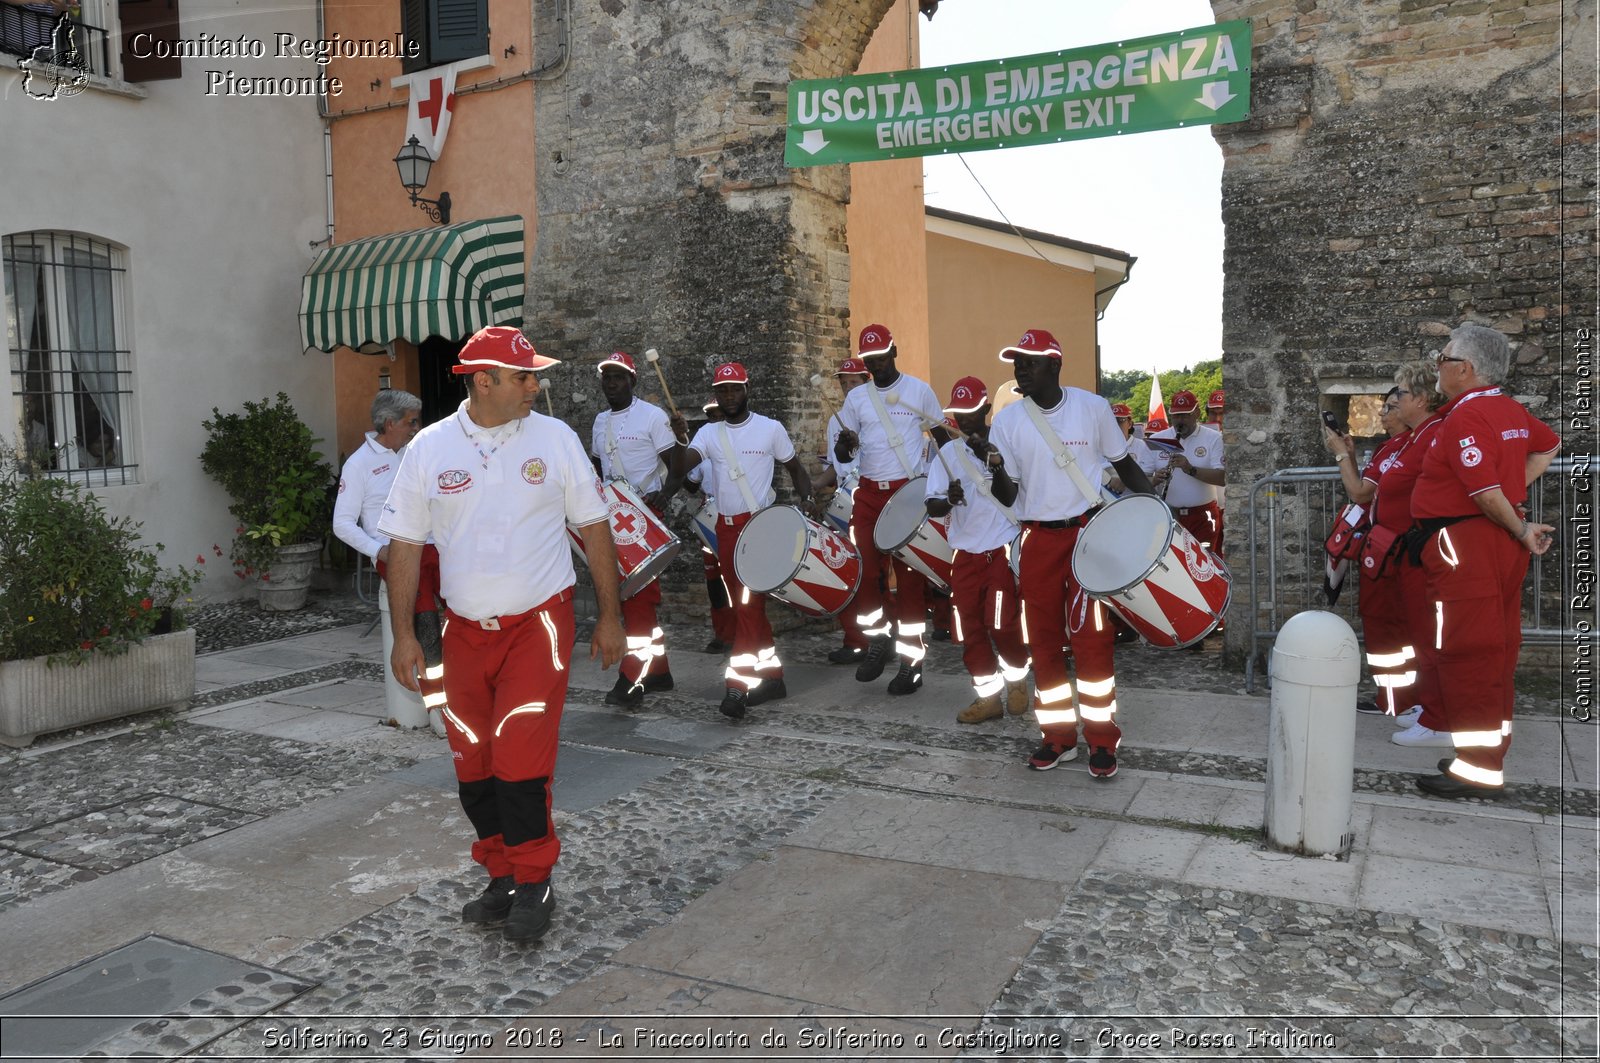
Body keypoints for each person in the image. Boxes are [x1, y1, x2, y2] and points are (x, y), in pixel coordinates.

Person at [379, 325, 625, 944]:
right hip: (464, 632)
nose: (534, 386)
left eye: (532, 375)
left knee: (518, 760)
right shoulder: (430, 448)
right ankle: (503, 873)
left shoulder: (556, 438)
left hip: (538, 624)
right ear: (483, 381)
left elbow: (594, 528)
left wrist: (611, 616)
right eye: (523, 376)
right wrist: (406, 635)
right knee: (472, 763)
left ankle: (535, 878)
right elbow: (404, 545)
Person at [985, 328, 1155, 778]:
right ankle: (1057, 738)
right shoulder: (1007, 422)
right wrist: (995, 467)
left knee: (1093, 641)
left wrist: (1158, 514)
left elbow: (1124, 465)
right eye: (1017, 361)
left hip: (1086, 536)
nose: (1021, 368)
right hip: (1037, 540)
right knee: (1042, 642)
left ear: (1055, 365)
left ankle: (1102, 741)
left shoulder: (1093, 409)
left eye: (1030, 361)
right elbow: (1007, 495)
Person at [1403, 324, 1558, 798]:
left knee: (1467, 654)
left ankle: (1478, 767)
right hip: (1491, 544)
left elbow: (1484, 489)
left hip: (1465, 547)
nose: (1437, 367)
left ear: (1464, 369)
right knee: (1496, 651)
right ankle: (1485, 756)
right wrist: (1516, 506)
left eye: (1442, 358)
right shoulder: (1509, 410)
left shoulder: (1467, 417)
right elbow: (1548, 444)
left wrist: (1515, 522)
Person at [673, 362, 811, 720]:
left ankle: (738, 686)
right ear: (715, 394)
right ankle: (773, 677)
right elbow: (683, 465)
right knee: (746, 607)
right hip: (727, 530)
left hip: (760, 528)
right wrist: (677, 441)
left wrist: (808, 501)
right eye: (723, 390)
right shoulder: (708, 434)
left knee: (748, 607)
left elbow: (795, 468)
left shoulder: (770, 429)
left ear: (746, 389)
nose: (729, 395)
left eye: (735, 388)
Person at [832, 324, 950, 694]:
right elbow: (842, 453)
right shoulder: (856, 400)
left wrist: (946, 485)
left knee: (909, 582)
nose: (877, 364)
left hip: (906, 495)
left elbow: (943, 439)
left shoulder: (918, 391)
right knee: (863, 571)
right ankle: (877, 640)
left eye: (881, 356)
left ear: (894, 352)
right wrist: (846, 445)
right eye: (870, 359)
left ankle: (911, 663)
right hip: (867, 493)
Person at [1323, 385, 1439, 722]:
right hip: (1384, 546)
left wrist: (1341, 456)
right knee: (1383, 623)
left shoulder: (1416, 444)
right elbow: (1371, 490)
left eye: (1390, 407)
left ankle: (1402, 698)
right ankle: (1393, 696)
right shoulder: (1392, 447)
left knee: (1397, 624)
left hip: (1401, 547)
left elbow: (1359, 493)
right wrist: (1351, 454)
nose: (1384, 415)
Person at [923, 377, 1031, 724]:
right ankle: (988, 697)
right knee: (969, 628)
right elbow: (932, 506)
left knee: (1001, 625)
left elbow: (1010, 496)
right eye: (959, 413)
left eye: (972, 412)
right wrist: (948, 500)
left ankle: (1016, 682)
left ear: (986, 410)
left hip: (999, 551)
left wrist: (995, 463)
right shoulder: (947, 454)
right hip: (965, 556)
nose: (965, 420)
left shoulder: (1006, 445)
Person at [333, 390, 447, 717]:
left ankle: (462, 695)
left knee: (463, 613)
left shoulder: (415, 452)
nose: (416, 427)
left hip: (433, 547)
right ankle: (438, 708)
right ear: (389, 423)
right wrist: (378, 550)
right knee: (424, 623)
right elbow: (341, 523)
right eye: (411, 422)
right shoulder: (358, 464)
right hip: (396, 554)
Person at [589, 351, 685, 709]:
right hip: (614, 517)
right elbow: (599, 471)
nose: (611, 383)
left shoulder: (652, 416)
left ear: (633, 380)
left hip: (646, 515)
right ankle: (658, 670)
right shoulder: (600, 421)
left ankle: (633, 678)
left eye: (618, 377)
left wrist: (666, 494)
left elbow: (675, 464)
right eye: (606, 377)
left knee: (638, 596)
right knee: (633, 596)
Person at [810, 358, 872, 664]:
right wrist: (811, 486)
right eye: (844, 383)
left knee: (874, 577)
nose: (848, 388)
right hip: (846, 502)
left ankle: (880, 641)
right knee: (847, 570)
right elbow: (837, 468)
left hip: (873, 500)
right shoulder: (837, 420)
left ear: (867, 381)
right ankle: (855, 640)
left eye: (854, 382)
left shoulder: (877, 414)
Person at [686, 397, 738, 655]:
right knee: (714, 581)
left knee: (740, 578)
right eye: (712, 416)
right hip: (710, 519)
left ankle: (744, 631)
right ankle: (723, 634)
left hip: (738, 517)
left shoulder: (744, 444)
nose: (716, 420)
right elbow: (691, 485)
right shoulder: (703, 452)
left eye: (720, 415)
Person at [1149, 390, 1225, 552]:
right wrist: (1156, 479)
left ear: (1197, 413)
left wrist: (1189, 469)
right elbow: (1143, 477)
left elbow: (1222, 478)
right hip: (1169, 514)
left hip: (1203, 516)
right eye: (1176, 416)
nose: (1180, 421)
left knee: (1204, 562)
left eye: (1185, 415)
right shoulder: (1158, 439)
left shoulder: (1214, 438)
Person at [1107, 402, 1160, 492]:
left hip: (1135, 500)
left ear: (1130, 424)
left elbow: (1147, 477)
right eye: (1112, 421)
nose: (1115, 426)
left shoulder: (1143, 447)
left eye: (1120, 421)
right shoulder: (1101, 447)